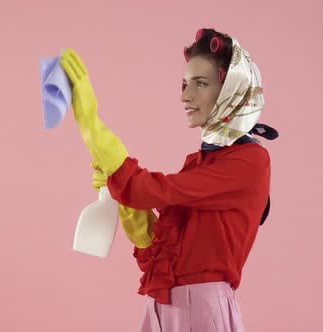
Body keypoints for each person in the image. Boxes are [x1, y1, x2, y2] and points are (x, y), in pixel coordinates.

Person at [60, 28, 278, 331]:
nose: (185, 96)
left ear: (232, 89)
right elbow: (157, 253)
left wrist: (91, 123)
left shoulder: (249, 161)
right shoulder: (199, 161)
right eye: (185, 84)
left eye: (200, 84)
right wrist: (120, 195)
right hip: (163, 309)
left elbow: (148, 189)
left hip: (202, 312)